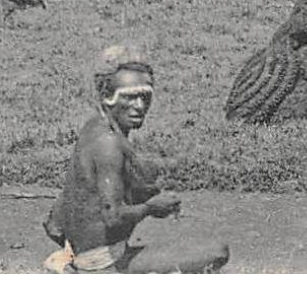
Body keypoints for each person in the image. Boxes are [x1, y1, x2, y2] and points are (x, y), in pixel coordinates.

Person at [43, 46, 228, 274]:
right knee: (217, 250)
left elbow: (54, 223)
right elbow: (112, 217)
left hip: (89, 251)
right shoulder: (109, 145)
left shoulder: (93, 128)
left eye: (145, 96)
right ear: (106, 95)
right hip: (105, 262)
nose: (139, 106)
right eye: (130, 97)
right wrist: (151, 208)